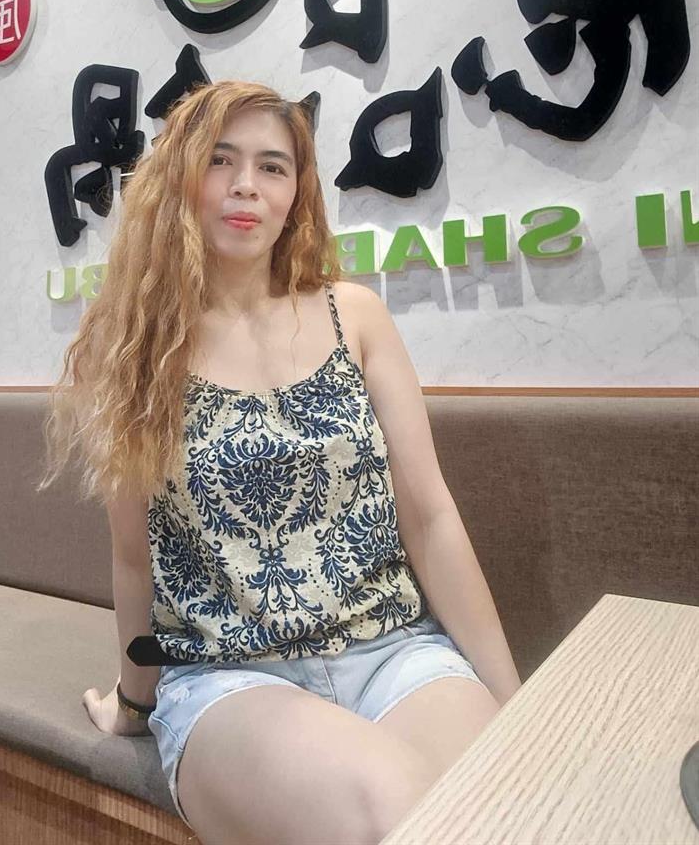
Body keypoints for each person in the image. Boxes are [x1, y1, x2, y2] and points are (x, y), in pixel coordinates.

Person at [38, 79, 521, 845]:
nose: (245, 186)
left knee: (507, 806)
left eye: (272, 166)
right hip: (230, 679)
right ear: (179, 177)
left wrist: (517, 709)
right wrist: (134, 702)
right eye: (220, 160)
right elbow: (135, 559)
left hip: (394, 653)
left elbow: (429, 517)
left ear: (298, 191)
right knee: (390, 810)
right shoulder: (133, 350)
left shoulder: (355, 315)